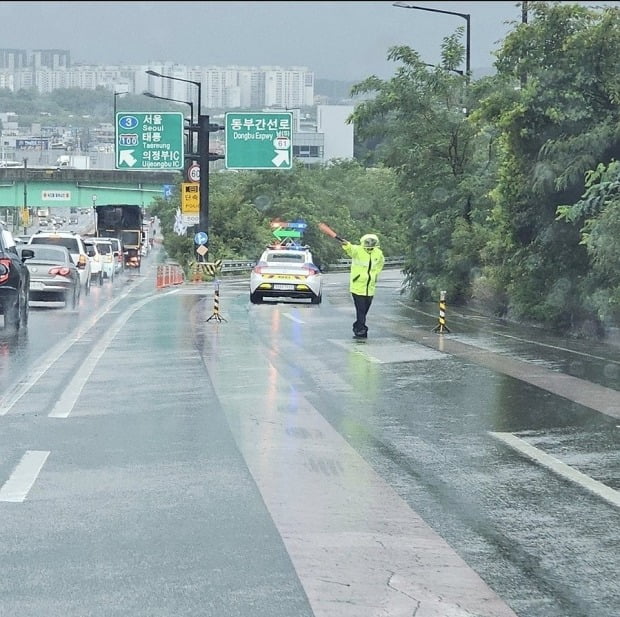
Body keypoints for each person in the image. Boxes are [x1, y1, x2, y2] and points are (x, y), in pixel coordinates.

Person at [341, 233, 385, 338]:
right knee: (360, 309)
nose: (370, 244)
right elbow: (350, 248)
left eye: (372, 242)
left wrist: (375, 275)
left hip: (370, 287)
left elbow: (380, 263)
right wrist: (346, 244)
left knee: (365, 309)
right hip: (357, 286)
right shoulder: (358, 250)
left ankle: (357, 325)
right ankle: (361, 330)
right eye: (368, 241)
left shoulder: (378, 253)